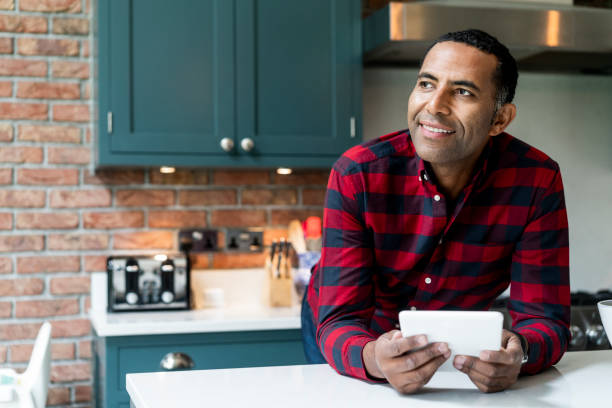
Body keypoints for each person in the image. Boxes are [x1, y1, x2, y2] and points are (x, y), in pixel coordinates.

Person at [301, 29, 570, 394]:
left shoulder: (536, 181)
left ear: (500, 120)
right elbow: (339, 321)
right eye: (427, 84)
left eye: (462, 92)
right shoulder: (357, 175)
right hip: (358, 335)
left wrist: (519, 353)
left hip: (451, 345)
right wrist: (374, 358)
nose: (435, 105)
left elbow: (545, 319)